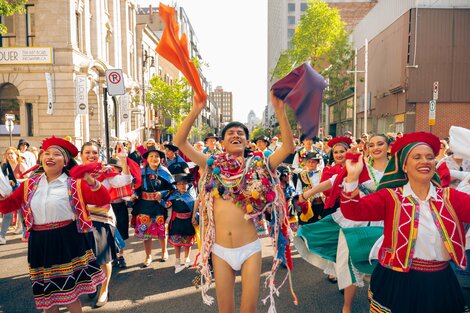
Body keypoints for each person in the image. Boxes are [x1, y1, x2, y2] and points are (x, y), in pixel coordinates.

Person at [174, 91, 295, 312]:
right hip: (220, 250)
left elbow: (288, 148)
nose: (236, 135)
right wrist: (196, 109)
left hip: (249, 249)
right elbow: (179, 141)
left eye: (241, 133)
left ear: (247, 141)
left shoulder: (259, 166)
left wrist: (280, 110)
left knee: (249, 310)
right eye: (230, 133)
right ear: (222, 141)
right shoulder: (211, 166)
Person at [340, 132, 470, 313]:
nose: (425, 161)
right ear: (405, 166)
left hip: (440, 281)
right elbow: (353, 211)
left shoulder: (450, 197)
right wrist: (352, 178)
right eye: (417, 157)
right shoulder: (391, 197)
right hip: (399, 280)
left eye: (429, 157)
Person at [0, 136, 109, 312]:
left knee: (71, 297)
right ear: (41, 158)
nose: (50, 157)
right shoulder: (29, 185)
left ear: (65, 161)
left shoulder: (74, 184)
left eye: (56, 154)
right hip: (40, 243)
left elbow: (103, 199)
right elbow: (7, 206)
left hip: (67, 240)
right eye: (47, 154)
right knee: (48, 299)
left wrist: (90, 180)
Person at [79, 141, 133, 307]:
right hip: (81, 219)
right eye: (87, 152)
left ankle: (104, 290)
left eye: (94, 152)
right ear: (81, 155)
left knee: (103, 257)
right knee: (85, 257)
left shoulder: (106, 172)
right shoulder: (74, 174)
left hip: (102, 218)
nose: (91, 155)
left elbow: (125, 179)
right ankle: (92, 284)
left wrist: (123, 160)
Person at [131, 146, 175, 267]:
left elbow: (173, 189)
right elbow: (137, 188)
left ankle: (164, 251)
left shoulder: (165, 172)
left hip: (158, 205)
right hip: (144, 205)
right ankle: (148, 255)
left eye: (157, 156)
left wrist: (162, 193)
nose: (154, 158)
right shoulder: (141, 172)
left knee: (161, 230)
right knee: (146, 232)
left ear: (161, 159)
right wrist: (134, 194)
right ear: (147, 159)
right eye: (151, 156)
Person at [166, 173, 196, 273]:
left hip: (188, 222)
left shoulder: (192, 195)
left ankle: (186, 257)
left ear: (188, 184)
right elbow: (166, 205)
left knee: (187, 241)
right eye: (180, 184)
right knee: (177, 242)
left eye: (185, 183)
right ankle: (177, 259)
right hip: (176, 222)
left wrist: (195, 218)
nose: (183, 186)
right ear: (176, 185)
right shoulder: (173, 195)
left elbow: (196, 209)